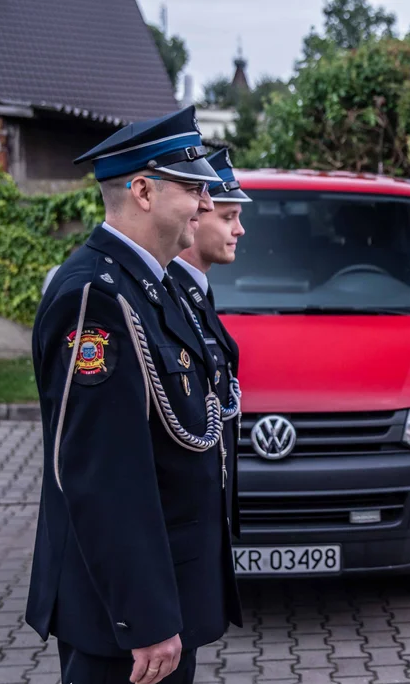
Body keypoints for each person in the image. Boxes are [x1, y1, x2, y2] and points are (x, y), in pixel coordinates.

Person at [25, 105, 243, 684]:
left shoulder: (158, 284)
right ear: (143, 190)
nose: (204, 206)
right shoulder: (96, 297)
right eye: (193, 189)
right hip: (124, 617)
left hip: (165, 595)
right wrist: (144, 617)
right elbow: (101, 475)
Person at [168, 147, 249, 537]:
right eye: (229, 217)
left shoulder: (195, 290)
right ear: (196, 219)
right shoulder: (175, 295)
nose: (239, 230)